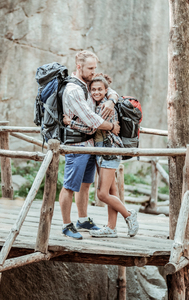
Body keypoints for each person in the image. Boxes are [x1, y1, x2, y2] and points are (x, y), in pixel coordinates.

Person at [63, 74, 139, 238]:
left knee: (102, 194)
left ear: (106, 90)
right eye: (93, 89)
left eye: (100, 89)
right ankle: (111, 228)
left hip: (108, 152)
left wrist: (70, 123)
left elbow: (91, 128)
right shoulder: (103, 102)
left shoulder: (104, 107)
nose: (96, 92)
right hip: (102, 151)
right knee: (112, 191)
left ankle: (128, 214)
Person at [59, 50, 120, 240]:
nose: (94, 72)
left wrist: (111, 100)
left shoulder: (87, 83)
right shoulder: (73, 90)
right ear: (79, 67)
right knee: (70, 186)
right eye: (91, 68)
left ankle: (83, 220)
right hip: (77, 146)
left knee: (85, 185)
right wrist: (112, 127)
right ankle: (66, 225)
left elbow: (110, 89)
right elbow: (92, 121)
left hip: (90, 144)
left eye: (95, 68)